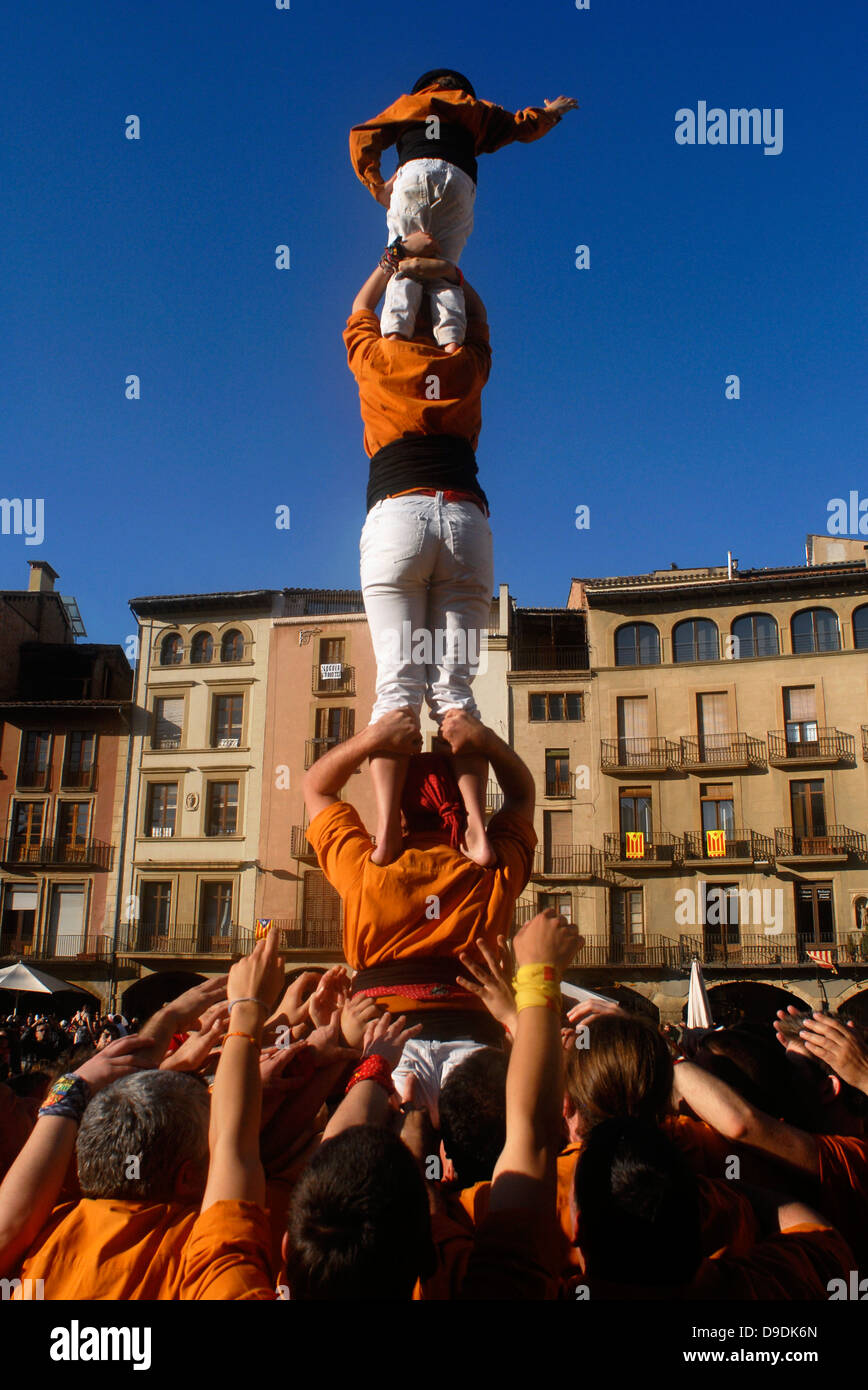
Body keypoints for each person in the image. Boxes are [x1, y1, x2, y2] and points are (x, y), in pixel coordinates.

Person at [345, 230, 497, 864]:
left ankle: (387, 831)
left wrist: (393, 262)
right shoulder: (465, 363)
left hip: (398, 518)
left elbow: (356, 312)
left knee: (396, 690)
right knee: (456, 691)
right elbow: (479, 323)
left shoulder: (376, 359)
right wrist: (449, 271)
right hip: (464, 520)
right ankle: (477, 830)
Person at [303, 707, 536, 1117]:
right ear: (463, 807)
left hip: (384, 1036)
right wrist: (483, 740)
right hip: (475, 1044)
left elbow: (316, 788)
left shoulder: (369, 869)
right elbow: (522, 796)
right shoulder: (491, 869)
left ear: (401, 810)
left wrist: (373, 738)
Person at [350, 70, 578, 347]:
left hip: (415, 172)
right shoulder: (477, 109)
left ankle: (396, 338)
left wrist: (376, 186)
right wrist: (550, 112)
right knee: (445, 269)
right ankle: (452, 343)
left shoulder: (409, 103)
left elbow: (362, 137)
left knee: (403, 261)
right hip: (459, 180)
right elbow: (521, 126)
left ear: (425, 87)